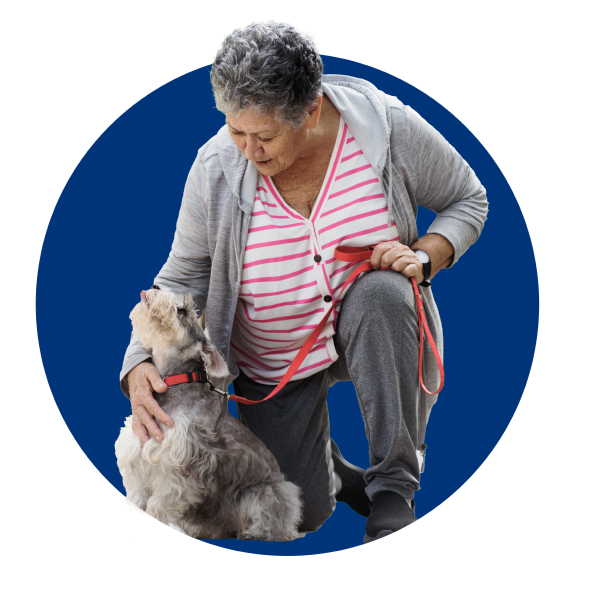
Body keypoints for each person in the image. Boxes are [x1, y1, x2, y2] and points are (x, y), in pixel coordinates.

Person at [120, 23, 488, 543]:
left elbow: (468, 199)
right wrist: (137, 363)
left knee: (382, 294)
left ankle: (393, 488)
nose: (247, 150)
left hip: (374, 319)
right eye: (235, 130)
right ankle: (331, 467)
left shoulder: (387, 129)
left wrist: (426, 256)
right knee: (300, 512)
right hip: (272, 356)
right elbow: (183, 276)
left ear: (311, 111)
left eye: (265, 136)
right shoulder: (215, 168)